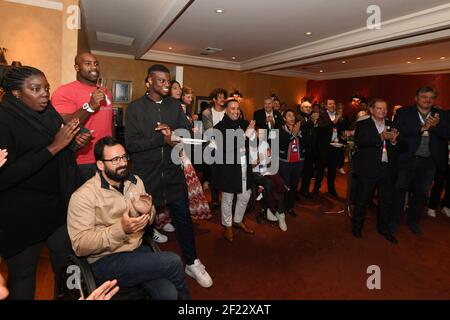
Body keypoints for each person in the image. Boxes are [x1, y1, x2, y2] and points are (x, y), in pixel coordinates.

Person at [0, 66, 87, 299]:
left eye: (46, 88)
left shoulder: (48, 112)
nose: (44, 94)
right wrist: (55, 146)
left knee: (69, 265)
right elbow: (4, 177)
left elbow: (59, 148)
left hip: (55, 206)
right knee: (23, 277)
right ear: (16, 93)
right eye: (36, 89)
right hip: (20, 215)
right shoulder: (3, 120)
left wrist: (72, 143)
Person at [67, 137, 191, 300]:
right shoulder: (83, 196)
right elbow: (80, 245)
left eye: (124, 157)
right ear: (100, 165)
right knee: (173, 261)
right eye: (115, 160)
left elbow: (148, 217)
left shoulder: (136, 181)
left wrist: (148, 212)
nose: (123, 163)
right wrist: (121, 230)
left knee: (168, 293)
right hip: (106, 260)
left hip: (137, 251)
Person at [125, 64, 212, 288]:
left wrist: (176, 134)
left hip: (174, 174)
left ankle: (192, 262)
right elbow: (131, 144)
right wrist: (160, 139)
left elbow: (184, 131)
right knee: (141, 225)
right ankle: (142, 268)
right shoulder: (135, 108)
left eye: (168, 81)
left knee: (184, 221)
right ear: (149, 82)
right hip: (147, 178)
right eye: (161, 81)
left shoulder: (175, 106)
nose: (166, 85)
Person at [392, 87, 450, 235]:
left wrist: (434, 126)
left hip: (429, 161)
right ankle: (394, 220)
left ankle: (413, 221)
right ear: (416, 98)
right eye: (424, 96)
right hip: (407, 158)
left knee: (421, 193)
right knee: (400, 190)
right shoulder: (404, 112)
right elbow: (398, 131)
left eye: (431, 97)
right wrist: (422, 128)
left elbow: (447, 134)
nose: (428, 100)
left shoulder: (442, 115)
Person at [52, 52, 113, 181]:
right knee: (81, 200)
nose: (94, 67)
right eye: (88, 63)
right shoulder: (64, 91)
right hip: (82, 160)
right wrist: (90, 106)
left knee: (106, 199)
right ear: (77, 68)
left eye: (96, 64)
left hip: (106, 156)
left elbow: (109, 122)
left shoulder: (105, 91)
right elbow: (66, 121)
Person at [351, 99, 399, 243]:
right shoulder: (362, 124)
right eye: (379, 108)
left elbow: (400, 147)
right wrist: (381, 137)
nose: (383, 111)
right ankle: (357, 227)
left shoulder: (392, 125)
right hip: (368, 168)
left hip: (386, 168)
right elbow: (361, 141)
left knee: (386, 201)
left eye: (385, 108)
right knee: (363, 199)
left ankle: (383, 228)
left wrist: (394, 141)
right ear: (371, 110)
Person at [213, 99, 256, 242]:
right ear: (226, 110)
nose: (236, 111)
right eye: (232, 108)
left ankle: (237, 220)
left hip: (245, 166)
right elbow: (226, 148)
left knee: (245, 195)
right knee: (228, 198)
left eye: (238, 108)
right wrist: (245, 136)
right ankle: (228, 225)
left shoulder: (244, 124)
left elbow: (252, 143)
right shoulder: (219, 127)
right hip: (228, 168)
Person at [202, 88, 228, 208]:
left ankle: (226, 199)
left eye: (224, 97)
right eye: (220, 97)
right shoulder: (207, 113)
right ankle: (214, 199)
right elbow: (209, 131)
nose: (223, 99)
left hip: (227, 148)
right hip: (212, 148)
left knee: (225, 174)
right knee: (214, 175)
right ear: (214, 99)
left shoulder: (228, 111)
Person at [313, 98, 345, 197]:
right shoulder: (322, 116)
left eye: (333, 104)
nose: (332, 105)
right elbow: (321, 128)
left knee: (332, 170)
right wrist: (334, 121)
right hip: (324, 147)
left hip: (335, 147)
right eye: (330, 104)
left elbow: (342, 130)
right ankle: (316, 188)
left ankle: (331, 188)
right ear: (326, 106)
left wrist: (342, 137)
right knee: (320, 170)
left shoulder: (339, 116)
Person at [279, 109, 304, 217]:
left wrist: (300, 134)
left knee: (294, 185)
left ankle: (290, 207)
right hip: (286, 162)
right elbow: (282, 143)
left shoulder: (299, 129)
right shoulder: (280, 129)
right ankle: (281, 208)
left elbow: (307, 142)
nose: (292, 117)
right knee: (285, 185)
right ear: (284, 119)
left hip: (298, 161)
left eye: (293, 115)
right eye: (289, 115)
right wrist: (294, 133)